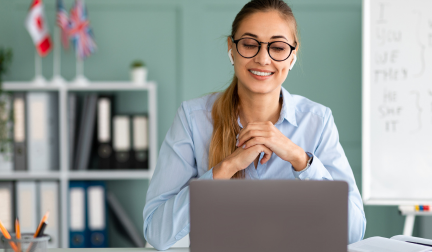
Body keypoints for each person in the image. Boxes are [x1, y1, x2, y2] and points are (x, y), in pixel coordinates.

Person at [143, 0, 366, 250]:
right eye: (249, 44)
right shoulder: (193, 118)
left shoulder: (317, 121)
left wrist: (299, 159)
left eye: (278, 48)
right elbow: (156, 232)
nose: (262, 59)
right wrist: (226, 167)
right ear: (231, 48)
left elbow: (354, 230)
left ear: (292, 55)